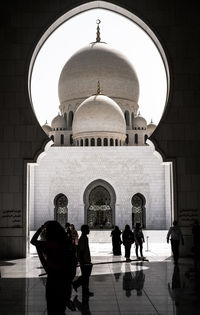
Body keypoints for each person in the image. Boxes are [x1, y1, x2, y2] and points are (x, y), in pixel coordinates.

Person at [31, 221, 77, 315]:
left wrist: (41, 227)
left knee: (52, 309)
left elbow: (33, 241)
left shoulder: (48, 245)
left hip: (53, 280)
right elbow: (72, 266)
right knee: (61, 309)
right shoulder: (67, 245)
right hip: (64, 282)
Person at [72, 224, 94, 296]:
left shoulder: (84, 238)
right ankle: (75, 284)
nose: (89, 230)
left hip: (86, 260)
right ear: (84, 230)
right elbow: (81, 250)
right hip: (84, 261)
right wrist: (82, 261)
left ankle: (85, 291)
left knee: (86, 276)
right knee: (85, 276)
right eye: (88, 229)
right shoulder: (83, 238)